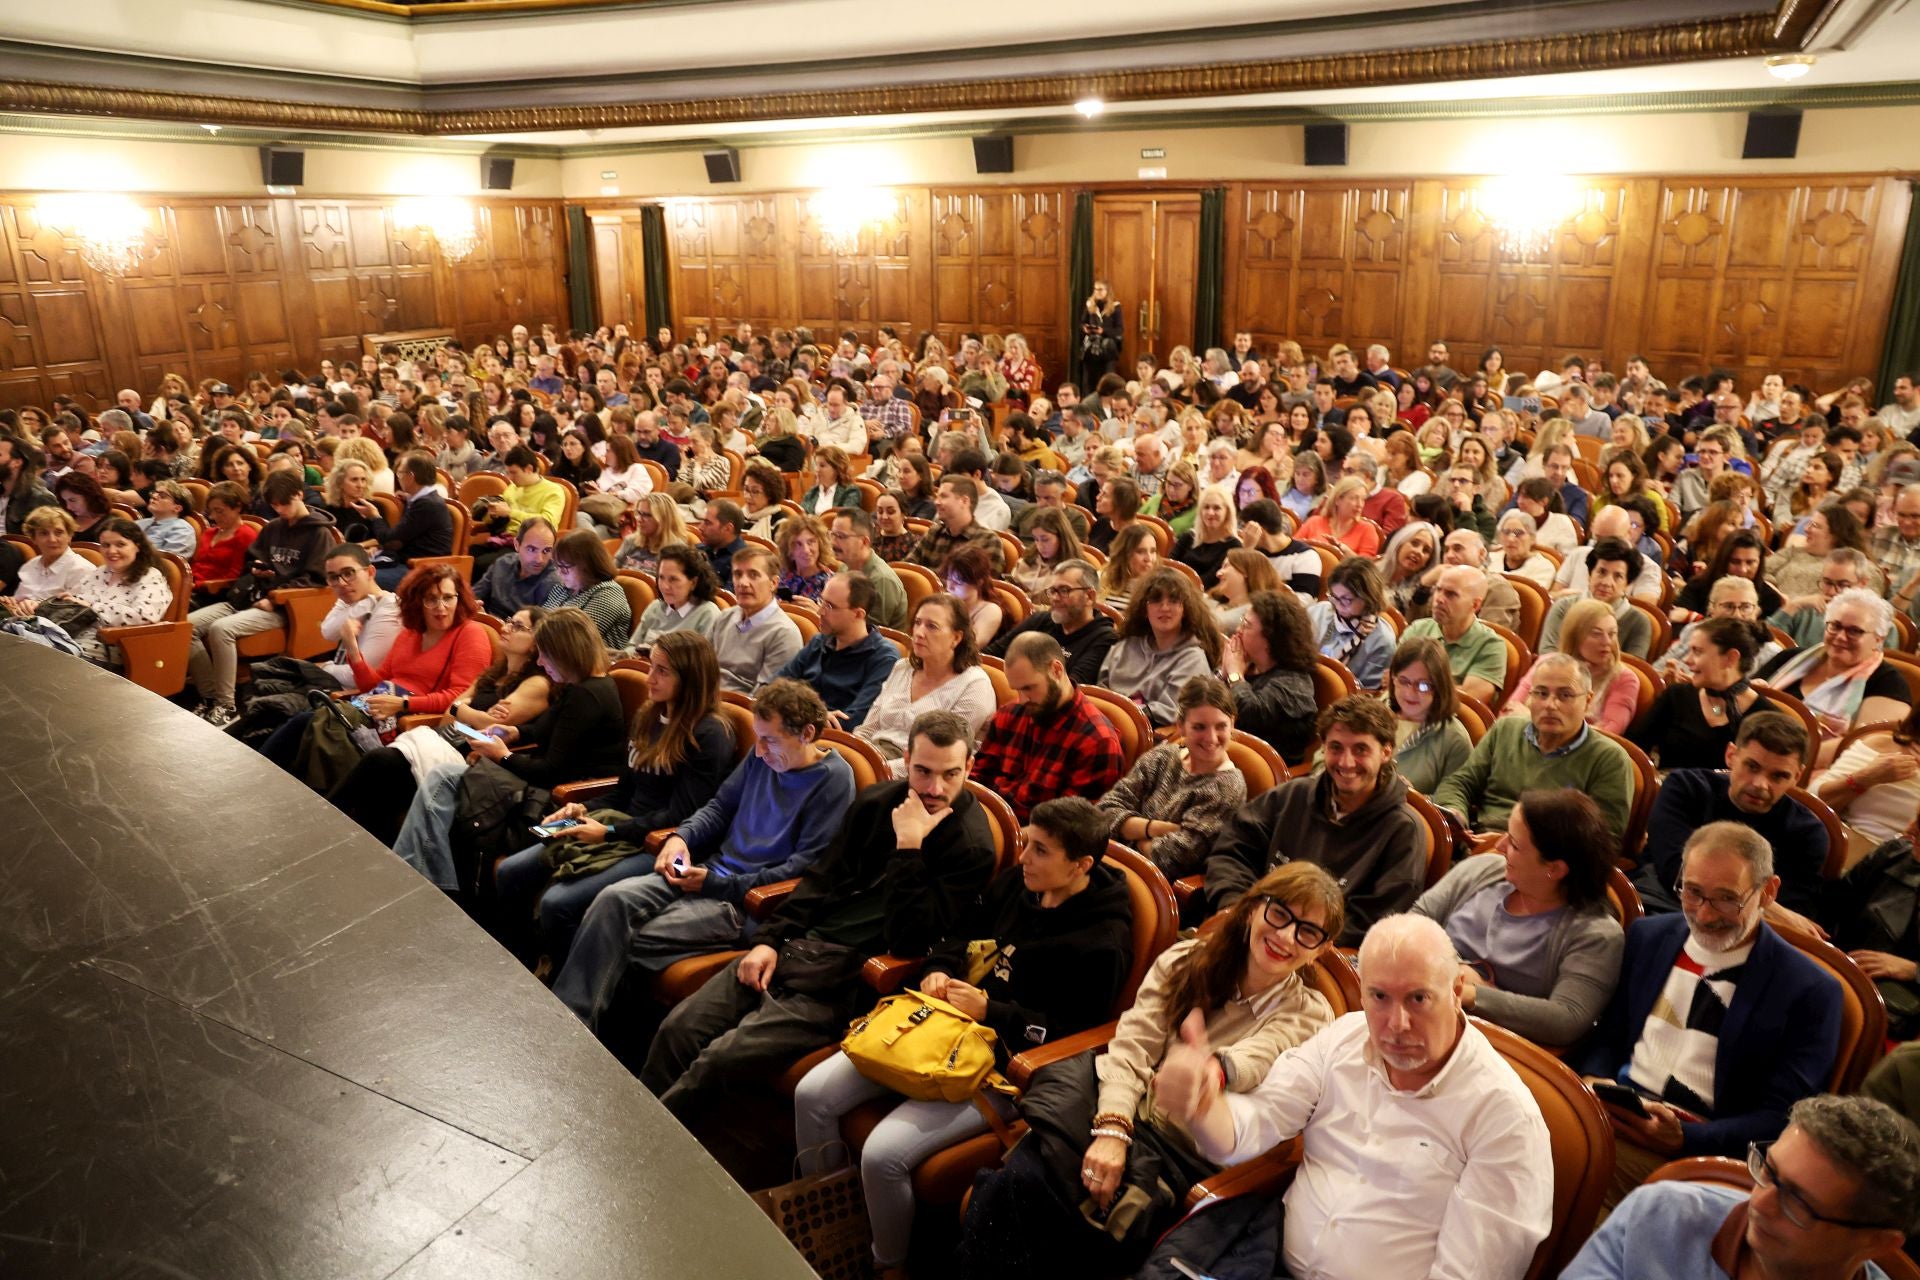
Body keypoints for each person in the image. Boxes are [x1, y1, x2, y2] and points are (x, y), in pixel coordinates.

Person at [792, 795, 1133, 1278]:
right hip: (940, 1025)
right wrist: (937, 968)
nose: (1023, 858)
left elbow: (1073, 1034)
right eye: (1027, 844)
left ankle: (885, 1265)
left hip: (1002, 1064)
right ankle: (833, 1222)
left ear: (1081, 865)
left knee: (884, 1154)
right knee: (812, 1094)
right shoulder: (1021, 883)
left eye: (1040, 850)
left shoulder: (1102, 939)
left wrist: (991, 1010)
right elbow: (960, 933)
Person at [958, 862, 1343, 1280]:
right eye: (1280, 914)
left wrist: (1210, 1071)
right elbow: (1132, 1047)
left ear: (1322, 948)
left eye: (1308, 932)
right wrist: (1113, 1129)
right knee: (1020, 1182)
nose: (1286, 936)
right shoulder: (1187, 959)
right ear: (1253, 909)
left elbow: (1258, 1057)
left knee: (1065, 1219)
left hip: (1181, 1153)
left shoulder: (1310, 1013)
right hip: (1118, 1109)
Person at [1146, 913, 1552, 1280]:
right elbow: (1253, 1125)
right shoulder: (1344, 1038)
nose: (1397, 1024)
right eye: (1379, 997)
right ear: (1362, 993)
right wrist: (1202, 1107)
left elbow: (1469, 1275)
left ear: (1457, 989)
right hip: (1264, 1258)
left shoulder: (1505, 1117)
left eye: (1418, 998)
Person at [637, 710, 996, 1120]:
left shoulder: (972, 847)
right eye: (923, 771)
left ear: (970, 766)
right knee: (678, 1029)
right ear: (907, 761)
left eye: (950, 774)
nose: (935, 788)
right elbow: (820, 880)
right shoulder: (877, 802)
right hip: (796, 946)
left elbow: (910, 938)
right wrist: (767, 941)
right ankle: (642, 1130)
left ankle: (651, 1147)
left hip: (849, 980)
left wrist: (909, 849)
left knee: (720, 1059)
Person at [551, 678, 856, 1033]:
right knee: (611, 901)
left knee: (626, 937)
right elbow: (719, 808)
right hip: (706, 869)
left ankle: (581, 1027)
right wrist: (681, 838)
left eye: (770, 740)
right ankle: (568, 1020)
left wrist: (718, 885)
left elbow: (804, 869)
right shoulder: (763, 758)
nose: (758, 750)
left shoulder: (834, 780)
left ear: (806, 733)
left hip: (742, 901)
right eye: (757, 738)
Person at [1577, 822, 1842, 1197]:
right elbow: (1610, 1034)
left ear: (1768, 892)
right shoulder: (1648, 937)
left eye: (1726, 898)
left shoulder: (1811, 990)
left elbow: (1781, 1117)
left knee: (1556, 1163)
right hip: (1616, 1113)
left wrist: (1686, 1137)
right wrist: (1595, 1078)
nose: (1703, 915)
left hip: (1701, 1153)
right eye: (1693, 893)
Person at [491, 630, 735, 963]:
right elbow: (624, 790)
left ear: (690, 677)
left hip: (657, 843)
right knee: (511, 871)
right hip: (618, 825)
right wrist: (581, 809)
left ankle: (562, 978)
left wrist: (607, 832)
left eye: (662, 671)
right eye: (651, 667)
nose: (650, 678)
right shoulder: (649, 715)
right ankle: (522, 959)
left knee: (557, 903)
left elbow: (681, 817)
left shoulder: (710, 733)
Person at [1564, 1093, 1920, 1280]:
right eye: (1769, 1171)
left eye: (1797, 1203)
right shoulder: (1659, 1216)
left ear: (1877, 1242)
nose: (1759, 1204)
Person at [1413, 789, 1624, 1046]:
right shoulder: (1482, 869)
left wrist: (1469, 994)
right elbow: (1415, 921)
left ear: (1554, 868)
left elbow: (1566, 1019)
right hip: (1420, 1006)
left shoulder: (1596, 934)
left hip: (1493, 1046)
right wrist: (1453, 969)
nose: (1498, 846)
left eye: (1514, 844)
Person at [1205, 694, 1424, 940]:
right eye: (1336, 747)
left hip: (1313, 954)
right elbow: (1232, 851)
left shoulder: (1403, 830)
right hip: (1247, 928)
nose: (1346, 762)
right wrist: (1237, 906)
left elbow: (1374, 920)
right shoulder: (1293, 795)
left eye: (1361, 749)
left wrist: (1292, 935)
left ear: (1385, 752)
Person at [1633, 713, 1831, 928]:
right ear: (1731, 755)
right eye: (1752, 767)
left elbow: (1792, 915)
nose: (1760, 784)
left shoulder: (1808, 833)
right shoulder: (1685, 787)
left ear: (1797, 777)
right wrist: (1766, 905)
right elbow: (1672, 868)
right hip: (1660, 905)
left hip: (1739, 932)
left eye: (1778, 776)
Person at [184, 470, 336, 727]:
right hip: (250, 596)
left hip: (285, 606)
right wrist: (256, 569)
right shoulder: (274, 527)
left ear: (299, 494)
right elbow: (251, 561)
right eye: (274, 505)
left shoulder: (319, 534)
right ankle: (210, 696)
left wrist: (275, 598)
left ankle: (227, 705)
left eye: (284, 503)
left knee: (222, 630)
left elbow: (316, 579)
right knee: (187, 627)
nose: (279, 510)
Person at [1434, 652, 1636, 840]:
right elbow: (1461, 782)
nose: (1550, 704)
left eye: (1565, 695)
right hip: (1479, 839)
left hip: (1545, 863)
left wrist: (1516, 845)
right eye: (1541, 693)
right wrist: (1456, 814)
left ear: (1588, 701)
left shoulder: (1610, 759)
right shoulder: (1506, 730)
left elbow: (1603, 840)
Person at [1097, 676, 1248, 878]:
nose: (1211, 738)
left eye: (1221, 726)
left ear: (1232, 724)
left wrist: (1127, 831)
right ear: (1181, 726)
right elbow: (1104, 811)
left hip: (1156, 886)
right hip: (1112, 866)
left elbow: (1172, 860)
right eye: (1199, 727)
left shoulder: (1227, 788)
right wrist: (1155, 828)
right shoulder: (1163, 756)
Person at [973, 631, 1126, 822]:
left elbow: (1070, 829)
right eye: (1017, 689)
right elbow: (977, 779)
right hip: (990, 824)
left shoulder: (1097, 741)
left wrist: (1007, 837)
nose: (1022, 699)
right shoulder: (1008, 715)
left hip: (1039, 841)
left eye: (1029, 688)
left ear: (1056, 670)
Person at [1757, 588, 1911, 760]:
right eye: (1835, 626)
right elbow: (1723, 706)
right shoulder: (1790, 658)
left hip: (1809, 770)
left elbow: (1863, 748)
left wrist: (1780, 759)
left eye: (1854, 631)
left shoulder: (1888, 684)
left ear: (1879, 638)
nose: (1840, 637)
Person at [856, 593, 997, 770]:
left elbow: (940, 759)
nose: (919, 633)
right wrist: (852, 756)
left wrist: (870, 770)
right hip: (873, 757)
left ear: (956, 638)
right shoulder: (903, 668)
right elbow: (868, 729)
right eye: (917, 623)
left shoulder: (974, 685)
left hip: (917, 774)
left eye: (932, 626)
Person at [1633, 617, 1776, 771]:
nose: (1687, 660)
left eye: (1697, 651)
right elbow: (1635, 753)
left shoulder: (1767, 719)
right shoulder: (1677, 696)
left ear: (1730, 658)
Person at [1097, 567, 1224, 727]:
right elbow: (1101, 689)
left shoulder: (1193, 658)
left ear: (1185, 609)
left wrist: (1119, 713)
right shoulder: (1125, 646)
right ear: (1144, 609)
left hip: (1151, 735)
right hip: (1106, 721)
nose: (1164, 607)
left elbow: (1172, 711)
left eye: (1173, 600)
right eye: (1156, 600)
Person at [771, 571, 897, 730]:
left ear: (858, 614)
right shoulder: (818, 641)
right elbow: (770, 688)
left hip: (832, 746)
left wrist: (812, 714)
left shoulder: (884, 658)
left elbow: (850, 722)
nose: (820, 611)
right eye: (821, 601)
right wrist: (818, 714)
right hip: (794, 728)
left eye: (829, 606)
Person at [1507, 598, 1640, 733]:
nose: (1607, 642)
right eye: (1596, 634)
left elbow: (1607, 734)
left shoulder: (1624, 679)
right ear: (1574, 636)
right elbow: (1509, 712)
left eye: (1612, 634)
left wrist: (1530, 718)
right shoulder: (1546, 663)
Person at [55, 517, 173, 666]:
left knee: (43, 661)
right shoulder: (98, 573)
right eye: (105, 545)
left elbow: (145, 616)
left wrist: (90, 607)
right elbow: (76, 602)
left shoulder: (150, 576)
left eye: (120, 545)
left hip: (110, 649)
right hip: (71, 638)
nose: (111, 551)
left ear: (137, 546)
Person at [986, 558, 1118, 687]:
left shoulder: (1105, 638)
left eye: (1064, 590)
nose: (1054, 598)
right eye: (1053, 591)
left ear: (1089, 596)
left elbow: (1071, 689)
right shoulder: (1041, 620)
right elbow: (990, 655)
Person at [1814, 699, 1920, 846]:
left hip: (1891, 862)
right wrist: (1865, 778)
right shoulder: (1883, 745)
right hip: (1830, 842)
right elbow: (1811, 801)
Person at [1401, 564, 1505, 705]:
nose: (1439, 599)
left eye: (1451, 594)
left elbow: (1469, 700)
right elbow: (1392, 678)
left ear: (1475, 605)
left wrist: (1412, 685)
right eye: (1438, 590)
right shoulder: (1417, 629)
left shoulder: (1490, 645)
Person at [1382, 635, 1474, 794]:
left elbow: (1455, 800)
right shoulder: (1375, 711)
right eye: (1404, 681)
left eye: (1423, 686)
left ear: (1439, 687)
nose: (1410, 693)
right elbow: (1325, 759)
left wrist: (1415, 798)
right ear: (1393, 679)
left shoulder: (1454, 738)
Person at [707, 545, 802, 694]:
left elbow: (766, 698)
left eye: (753, 575)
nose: (743, 583)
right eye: (738, 574)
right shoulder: (724, 617)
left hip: (738, 710)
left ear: (773, 583)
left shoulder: (784, 634)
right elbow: (701, 668)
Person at [1305, 555, 1396, 690]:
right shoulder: (1318, 612)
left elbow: (1367, 692)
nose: (1338, 605)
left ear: (1368, 597)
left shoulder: (1382, 640)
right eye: (1334, 597)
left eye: (1346, 600)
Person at [543, 528, 630, 649]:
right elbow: (539, 621)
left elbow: (575, 637)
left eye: (564, 568)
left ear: (587, 565)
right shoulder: (563, 588)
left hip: (589, 663)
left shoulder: (609, 592)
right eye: (557, 566)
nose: (559, 573)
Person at [624, 543, 721, 651]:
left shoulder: (707, 614)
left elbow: (703, 663)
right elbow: (632, 647)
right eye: (661, 577)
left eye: (673, 579)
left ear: (693, 582)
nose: (665, 586)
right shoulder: (655, 607)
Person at [828, 506, 907, 631]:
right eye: (832, 534)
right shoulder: (844, 567)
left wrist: (824, 614)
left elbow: (869, 632)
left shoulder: (882, 579)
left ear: (864, 542)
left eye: (840, 536)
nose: (833, 542)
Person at [910, 475, 1004, 575]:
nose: (936, 502)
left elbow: (982, 587)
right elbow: (907, 568)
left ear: (964, 501)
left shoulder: (988, 541)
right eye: (937, 497)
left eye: (943, 496)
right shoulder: (934, 532)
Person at [475, 516, 558, 620]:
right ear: (517, 545)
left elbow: (540, 630)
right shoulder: (503, 563)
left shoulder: (554, 583)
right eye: (532, 549)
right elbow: (474, 595)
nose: (539, 560)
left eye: (546, 551)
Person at [1170, 488, 1238, 590]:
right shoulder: (1188, 537)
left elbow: (1210, 581)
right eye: (1206, 507)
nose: (1210, 513)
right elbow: (1169, 566)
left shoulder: (1233, 545)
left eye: (1216, 508)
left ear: (1227, 512)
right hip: (1176, 590)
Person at [1295, 476, 1381, 556]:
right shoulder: (1314, 522)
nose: (1360, 504)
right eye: (1354, 498)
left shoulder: (1367, 529)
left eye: (1363, 499)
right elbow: (1292, 548)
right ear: (1338, 500)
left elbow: (1366, 568)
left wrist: (1345, 551)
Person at [612, 492, 692, 577]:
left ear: (664, 520)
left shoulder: (678, 552)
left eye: (646, 515)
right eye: (638, 513)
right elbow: (611, 574)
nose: (639, 519)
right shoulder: (631, 541)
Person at [773, 511, 838, 604]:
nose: (806, 550)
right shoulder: (779, 575)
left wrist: (817, 611)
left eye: (811, 542)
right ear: (788, 548)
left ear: (820, 544)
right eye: (798, 544)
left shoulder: (831, 584)